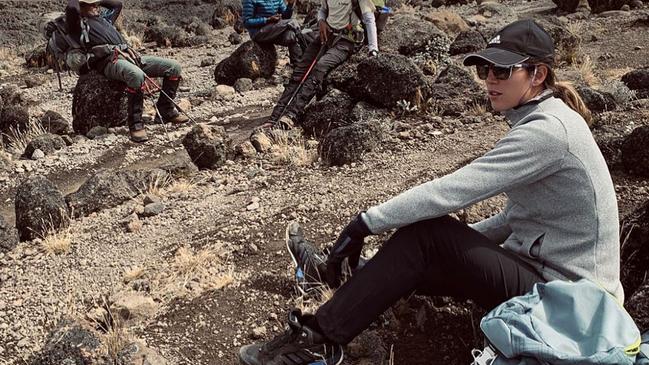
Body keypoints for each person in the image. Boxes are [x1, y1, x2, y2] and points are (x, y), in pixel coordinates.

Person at [238, 19, 623, 365]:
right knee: (422, 248)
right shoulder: (543, 120)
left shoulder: (548, 131)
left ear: (537, 74)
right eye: (485, 68)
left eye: (502, 70)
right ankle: (334, 275)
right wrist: (450, 244)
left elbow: (454, 190)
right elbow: (514, 219)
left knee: (427, 234)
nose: (489, 79)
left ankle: (317, 340)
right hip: (550, 283)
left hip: (574, 304)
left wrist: (364, 223)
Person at [65, 0, 188, 143]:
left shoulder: (105, 19)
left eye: (96, 4)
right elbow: (71, 8)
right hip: (109, 62)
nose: (96, 7)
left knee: (174, 67)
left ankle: (166, 110)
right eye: (91, 4)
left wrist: (96, 1)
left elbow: (117, 4)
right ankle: (135, 124)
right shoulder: (77, 24)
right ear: (81, 7)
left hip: (131, 56)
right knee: (135, 75)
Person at [259, 0, 380, 131]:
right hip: (327, 34)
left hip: (347, 40)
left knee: (319, 67)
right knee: (299, 71)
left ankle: (291, 115)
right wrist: (321, 21)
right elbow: (323, 10)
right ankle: (274, 117)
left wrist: (373, 49)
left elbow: (369, 19)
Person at [242, 0, 305, 66]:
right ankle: (308, 52)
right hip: (258, 32)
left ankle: (297, 65)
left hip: (273, 30)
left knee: (291, 35)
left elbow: (286, 17)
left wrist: (290, 5)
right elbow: (246, 22)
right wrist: (267, 20)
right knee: (292, 22)